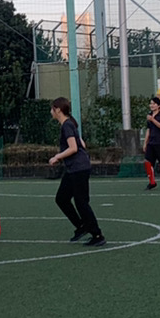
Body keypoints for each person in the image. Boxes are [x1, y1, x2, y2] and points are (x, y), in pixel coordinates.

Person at [48, 97, 105, 247]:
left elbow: (73, 148)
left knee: (81, 202)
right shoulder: (70, 123)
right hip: (75, 168)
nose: (51, 112)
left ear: (58, 110)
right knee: (62, 198)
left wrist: (57, 157)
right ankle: (81, 226)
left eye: (52, 109)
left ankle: (97, 235)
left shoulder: (67, 125)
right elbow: (82, 144)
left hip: (78, 169)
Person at [143, 94, 160, 190]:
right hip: (151, 143)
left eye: (153, 104)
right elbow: (148, 130)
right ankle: (152, 182)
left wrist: (153, 120)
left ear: (158, 106)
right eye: (151, 103)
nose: (151, 105)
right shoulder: (149, 116)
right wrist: (145, 142)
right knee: (147, 161)